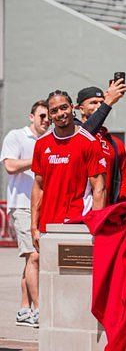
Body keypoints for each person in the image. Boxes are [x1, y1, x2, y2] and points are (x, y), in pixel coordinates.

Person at [30, 90, 107, 245]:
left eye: (64, 107)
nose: (60, 113)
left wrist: (96, 227)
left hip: (78, 224)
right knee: (45, 268)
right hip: (48, 225)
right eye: (54, 111)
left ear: (72, 108)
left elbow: (99, 188)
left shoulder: (89, 142)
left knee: (76, 270)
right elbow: (39, 187)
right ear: (50, 116)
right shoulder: (41, 144)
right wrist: (33, 226)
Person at [1, 100, 49, 328]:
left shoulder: (50, 139)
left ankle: (23, 309)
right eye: (41, 116)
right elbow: (9, 166)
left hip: (43, 206)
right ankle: (39, 309)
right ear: (31, 117)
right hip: (21, 204)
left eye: (48, 116)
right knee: (34, 256)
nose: (46, 120)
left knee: (33, 258)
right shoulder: (17, 136)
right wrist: (38, 160)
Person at [76, 86, 126, 204]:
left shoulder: (115, 143)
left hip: (107, 212)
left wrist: (123, 209)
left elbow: (124, 181)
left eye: (101, 102)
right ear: (81, 109)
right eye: (93, 102)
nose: (98, 106)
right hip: (78, 211)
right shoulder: (74, 134)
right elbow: (84, 135)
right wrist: (108, 102)